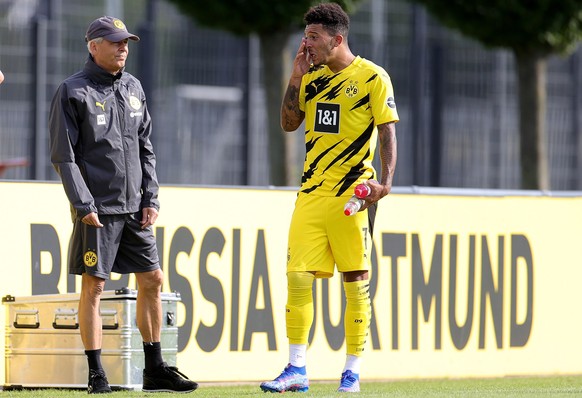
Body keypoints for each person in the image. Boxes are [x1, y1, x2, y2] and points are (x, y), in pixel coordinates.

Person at [49, 16, 198, 394]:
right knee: (95, 287)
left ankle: (155, 368)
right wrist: (83, 204)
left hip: (136, 208)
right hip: (97, 210)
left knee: (153, 280)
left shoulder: (133, 86)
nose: (123, 48)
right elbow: (63, 157)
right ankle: (97, 373)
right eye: (114, 42)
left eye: (126, 42)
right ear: (92, 45)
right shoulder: (72, 90)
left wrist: (151, 197)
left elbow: (146, 147)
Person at [260, 2, 399, 394]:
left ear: (337, 39)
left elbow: (388, 133)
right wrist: (294, 76)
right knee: (297, 278)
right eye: (306, 35)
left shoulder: (372, 77)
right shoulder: (311, 76)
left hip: (351, 196)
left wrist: (384, 185)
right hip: (310, 194)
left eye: (314, 37)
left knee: (355, 281)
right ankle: (296, 369)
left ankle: (352, 371)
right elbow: (289, 124)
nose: (307, 42)